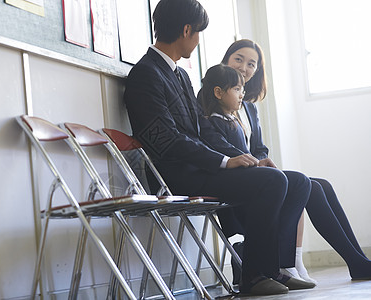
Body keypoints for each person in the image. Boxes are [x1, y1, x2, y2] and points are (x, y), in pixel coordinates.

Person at [124, 0, 314, 295]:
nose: (198, 39)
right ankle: (252, 275)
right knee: (273, 181)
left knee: (298, 181)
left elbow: (200, 132)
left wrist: (239, 157)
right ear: (187, 30)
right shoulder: (146, 74)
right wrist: (224, 162)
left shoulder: (181, 75)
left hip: (200, 166)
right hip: (177, 174)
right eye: (198, 32)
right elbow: (166, 140)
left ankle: (270, 268)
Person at [211, 38, 371, 282]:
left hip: (256, 172)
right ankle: (356, 263)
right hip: (238, 179)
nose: (244, 67)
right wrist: (254, 162)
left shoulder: (249, 107)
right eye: (239, 59)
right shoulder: (214, 99)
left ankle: (358, 260)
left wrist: (261, 159)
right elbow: (215, 144)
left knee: (322, 185)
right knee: (311, 187)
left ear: (257, 71)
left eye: (251, 64)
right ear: (227, 59)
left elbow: (259, 147)